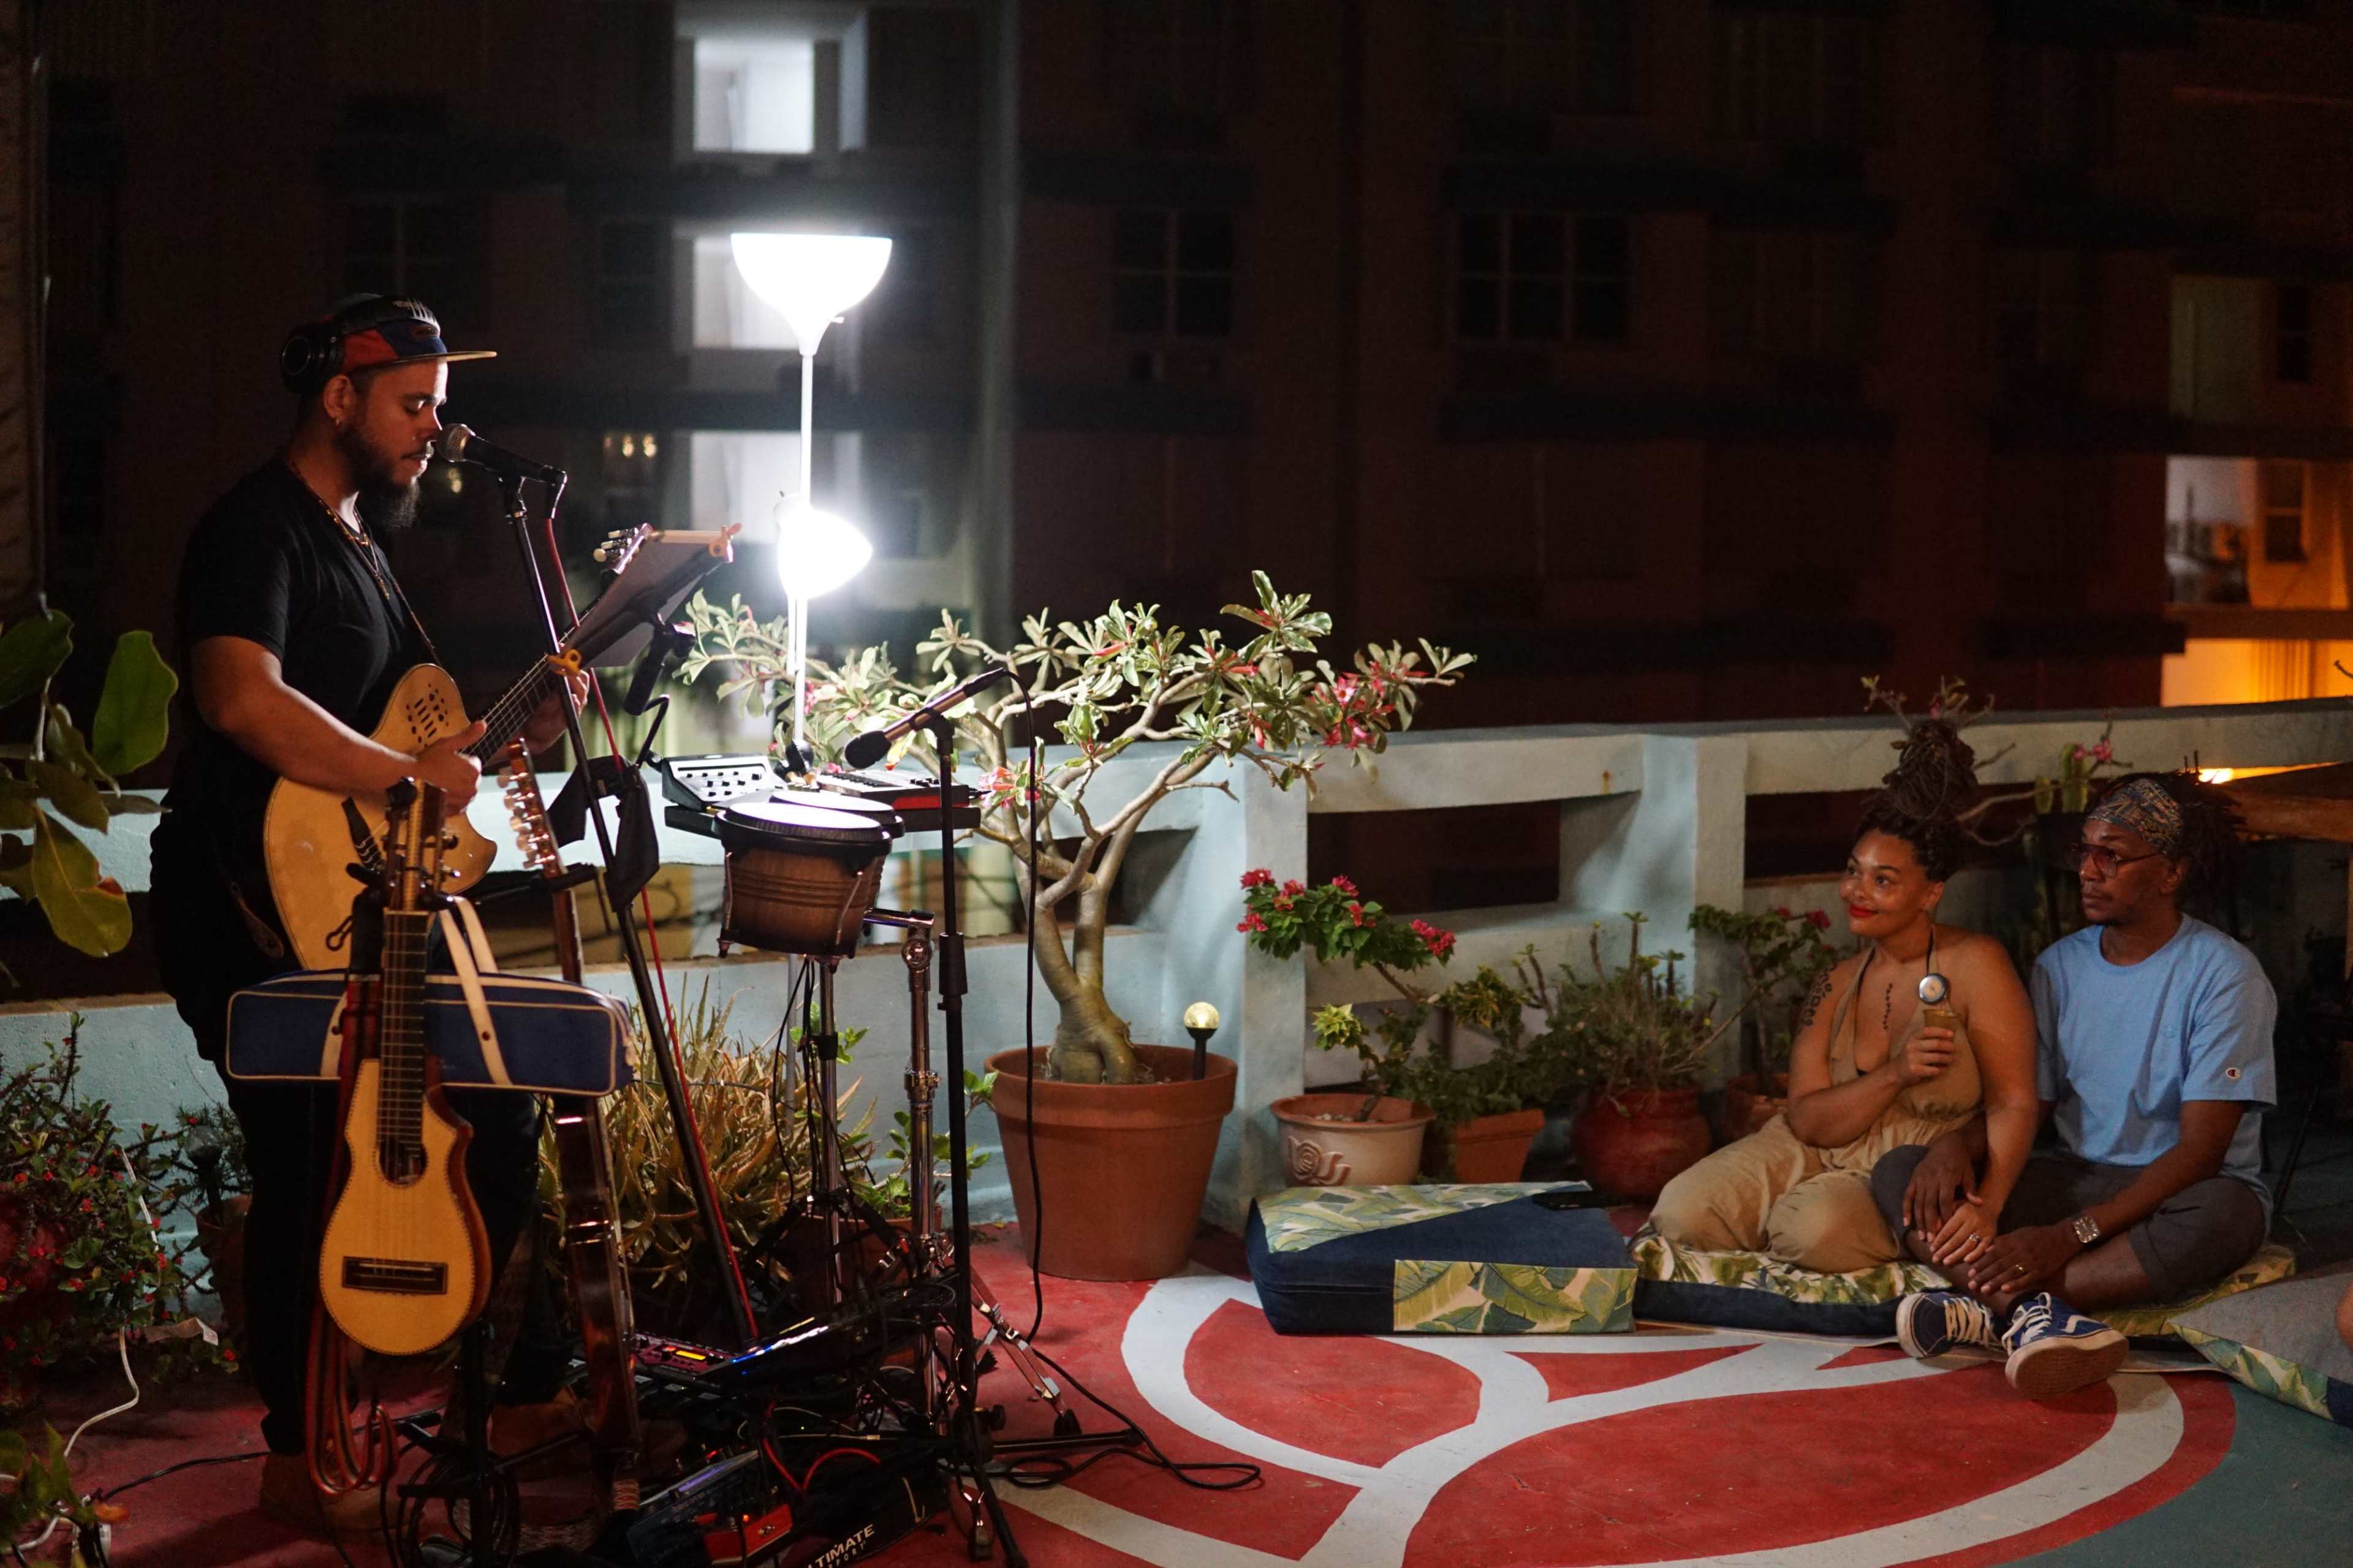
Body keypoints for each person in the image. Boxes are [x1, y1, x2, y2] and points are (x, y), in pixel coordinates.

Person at [149, 296, 583, 1534]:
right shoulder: (258, 528)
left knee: (495, 1117)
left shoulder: (364, 545)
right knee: (300, 1165)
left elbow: (410, 738)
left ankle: (498, 1397)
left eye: (440, 407)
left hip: (359, 906)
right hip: (237, 900)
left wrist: (517, 731)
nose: (435, 430)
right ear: (337, 397)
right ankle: (297, 1457)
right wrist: (403, 775)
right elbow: (241, 696)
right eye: (412, 405)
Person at [1879, 773, 2276, 1401]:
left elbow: (2202, 1153)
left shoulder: (2225, 975)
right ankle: (2032, 1313)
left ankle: (1998, 1309)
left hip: (2180, 1193)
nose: (2089, 872)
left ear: (2171, 873)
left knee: (2230, 1217)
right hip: (2076, 1177)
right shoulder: (2059, 966)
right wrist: (1957, 1144)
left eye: (2111, 856)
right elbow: (2028, 1102)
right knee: (1904, 1170)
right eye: (2084, 852)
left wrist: (2068, 1237)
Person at [1651, 726, 2040, 1274]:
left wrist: (1991, 1205)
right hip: (1809, 1146)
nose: (1857, 892)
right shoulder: (1836, 981)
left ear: (1930, 892)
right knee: (1682, 1211)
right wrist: (1896, 1073)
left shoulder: (1977, 963)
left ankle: (1791, 1237)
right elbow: (1806, 1118)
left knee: (1810, 1233)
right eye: (1853, 871)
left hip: (1902, 1164)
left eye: (1884, 881)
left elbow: (2015, 1102)